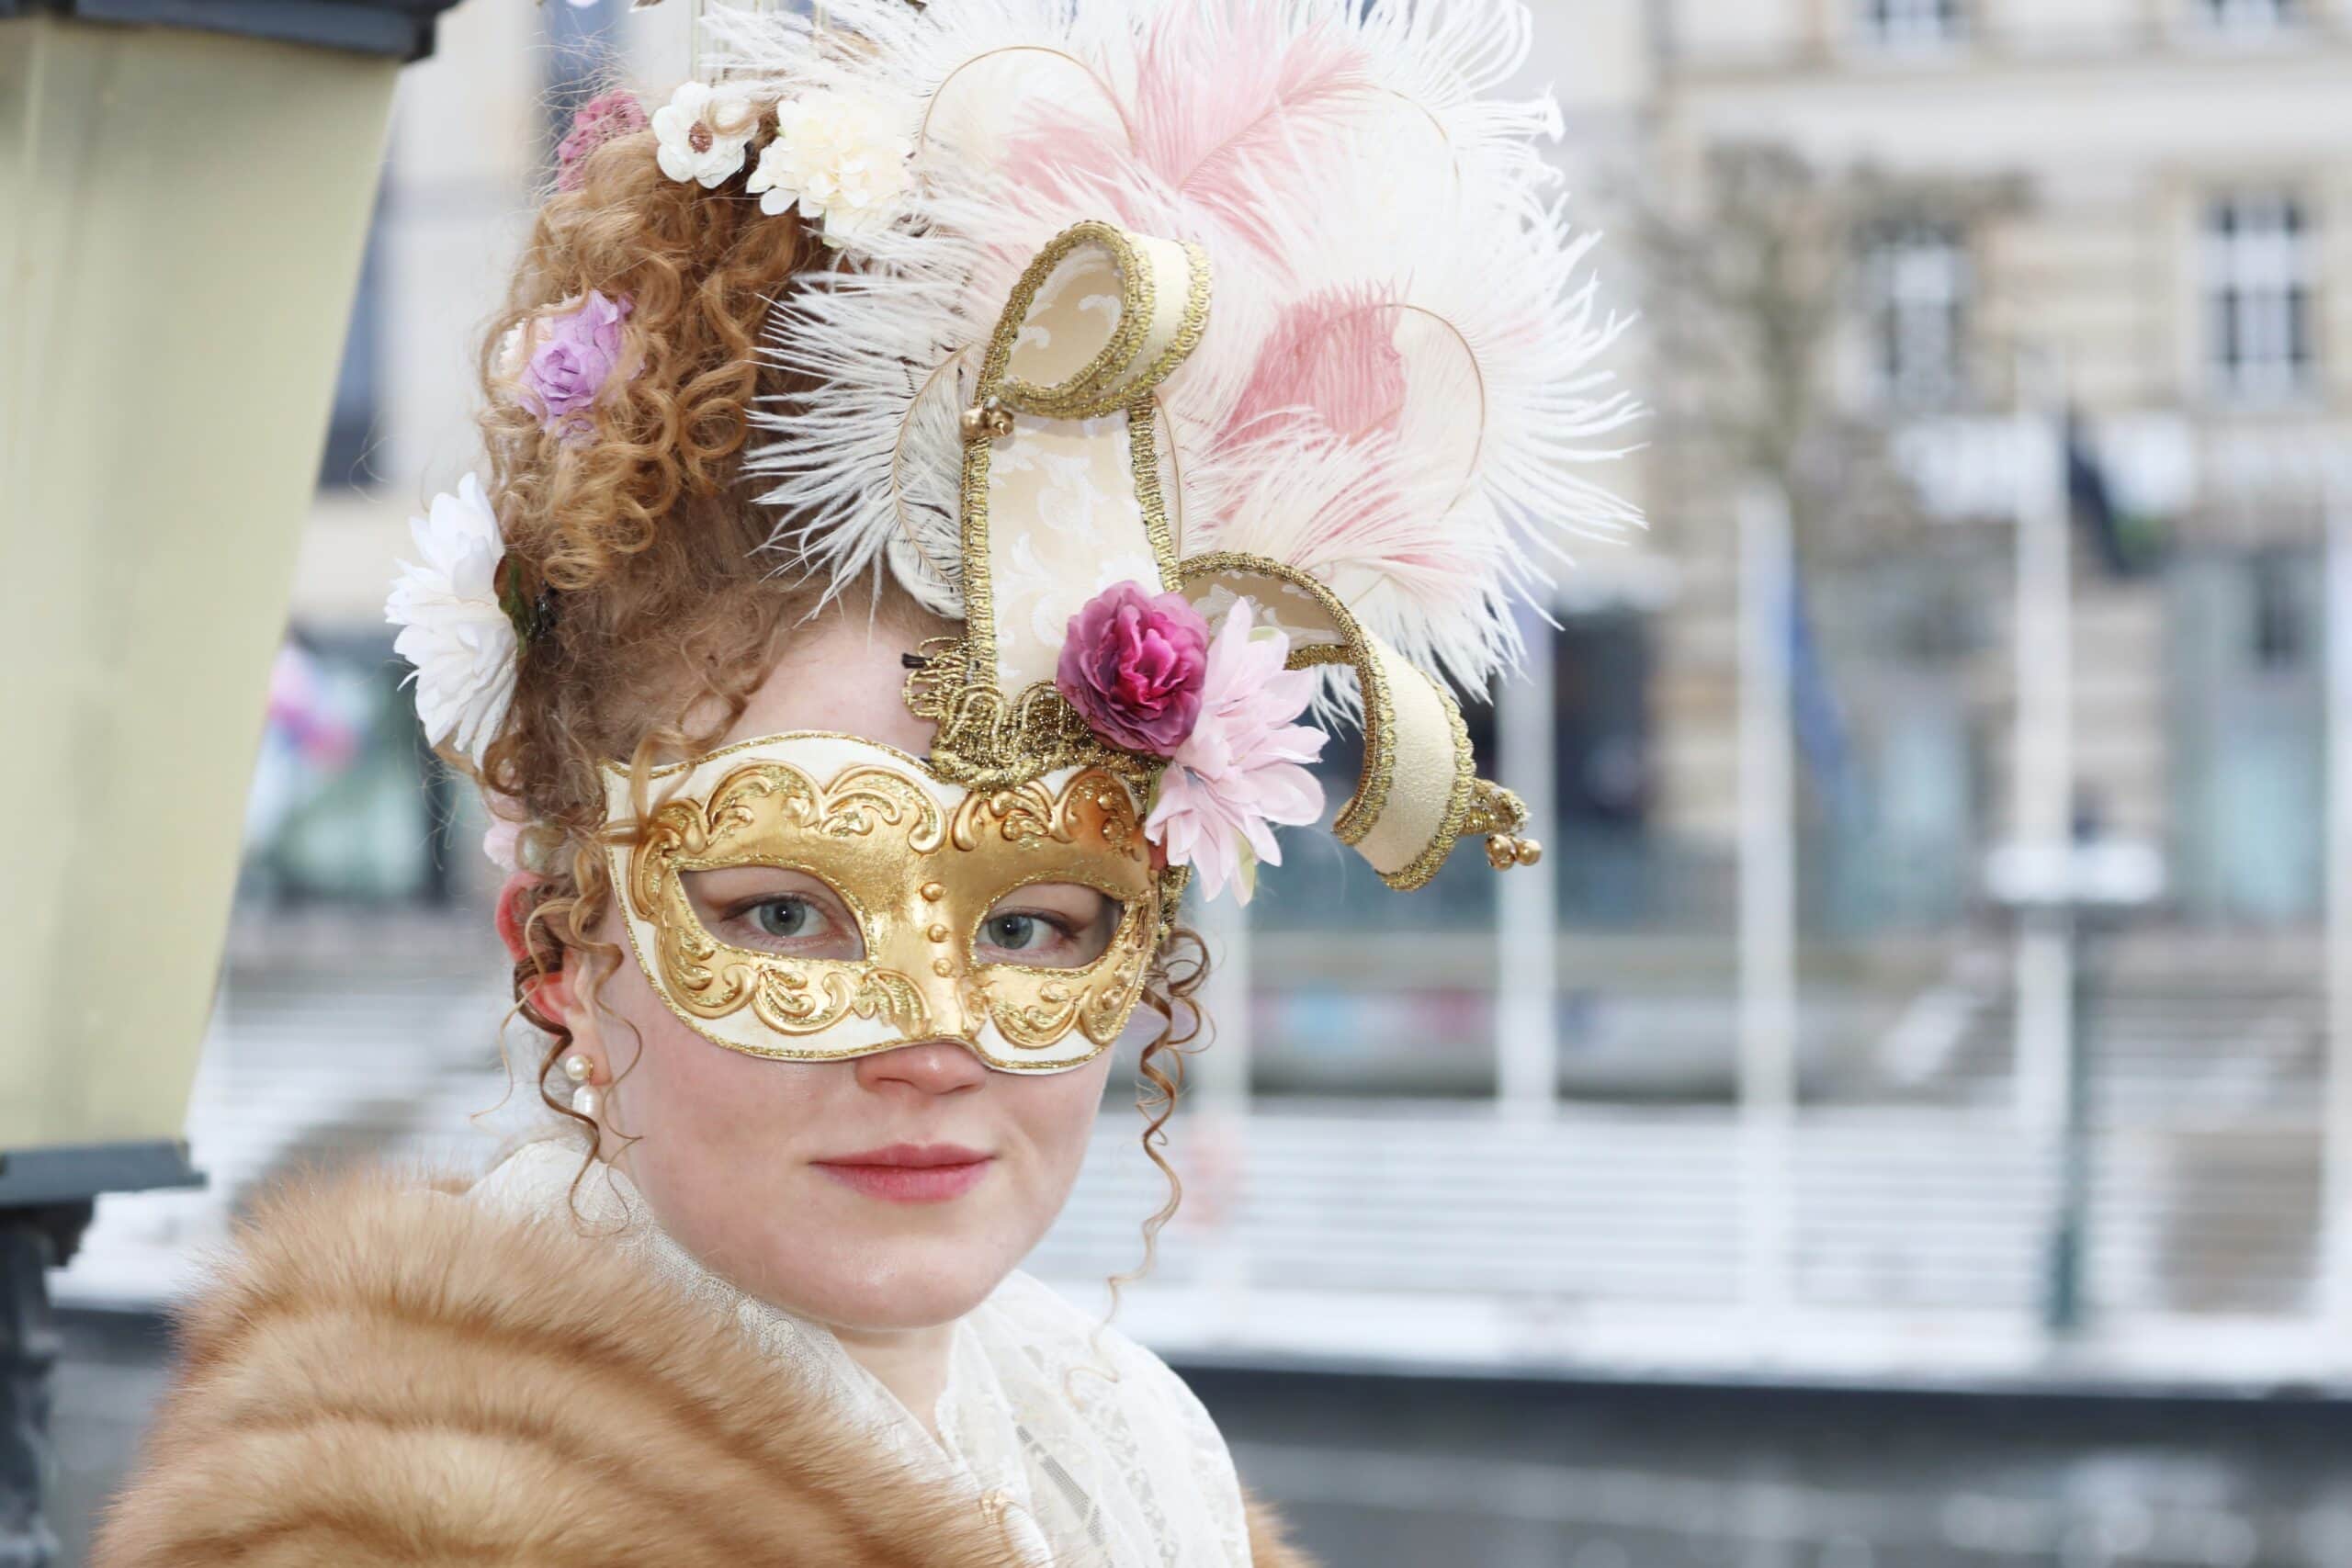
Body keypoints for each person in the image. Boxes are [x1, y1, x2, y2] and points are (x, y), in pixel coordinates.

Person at [92, 0, 1635, 1562]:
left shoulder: (1127, 1458)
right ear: (559, 955)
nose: (934, 1038)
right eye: (783, 912)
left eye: (1036, 926)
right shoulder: (382, 1528)